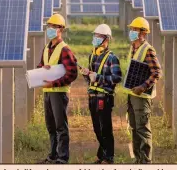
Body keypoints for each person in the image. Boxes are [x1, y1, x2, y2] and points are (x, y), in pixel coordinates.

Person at [36, 13, 78, 164]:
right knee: (51, 126)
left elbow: (72, 73)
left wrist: (54, 83)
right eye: (49, 26)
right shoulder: (47, 48)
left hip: (58, 93)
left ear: (61, 29)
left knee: (61, 126)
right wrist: (42, 68)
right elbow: (40, 66)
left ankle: (62, 157)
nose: (50, 29)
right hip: (47, 92)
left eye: (54, 27)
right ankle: (53, 155)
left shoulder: (64, 49)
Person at [81, 24, 122, 164]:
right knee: (97, 128)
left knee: (105, 129)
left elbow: (117, 78)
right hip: (92, 96)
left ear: (106, 39)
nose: (95, 38)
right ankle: (102, 155)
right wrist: (87, 75)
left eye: (98, 36)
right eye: (95, 35)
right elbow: (91, 79)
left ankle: (108, 157)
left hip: (104, 98)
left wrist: (98, 77)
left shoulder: (112, 58)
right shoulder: (92, 56)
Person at [124, 17, 162, 164]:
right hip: (132, 95)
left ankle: (146, 162)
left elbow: (157, 72)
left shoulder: (148, 50)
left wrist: (143, 87)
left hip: (141, 96)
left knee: (143, 128)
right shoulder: (133, 47)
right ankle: (138, 159)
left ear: (143, 33)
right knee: (134, 128)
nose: (132, 32)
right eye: (131, 29)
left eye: (135, 29)